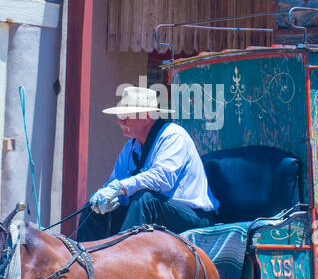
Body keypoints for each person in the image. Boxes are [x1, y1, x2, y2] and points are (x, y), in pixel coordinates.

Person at [76, 86, 218, 241]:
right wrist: (109, 198)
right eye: (120, 115)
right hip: (156, 210)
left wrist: (120, 188)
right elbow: (116, 183)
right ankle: (85, 259)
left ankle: (124, 259)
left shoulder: (173, 136)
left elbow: (162, 179)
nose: (120, 120)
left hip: (193, 217)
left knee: (145, 199)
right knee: (93, 208)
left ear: (147, 116)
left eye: (127, 115)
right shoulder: (130, 147)